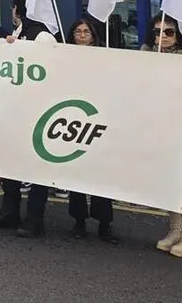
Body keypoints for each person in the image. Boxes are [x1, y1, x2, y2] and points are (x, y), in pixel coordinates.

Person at [0, 0, 59, 237]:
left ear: (17, 9)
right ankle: (10, 211)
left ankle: (34, 218)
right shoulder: (18, 33)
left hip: (36, 111)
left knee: (36, 165)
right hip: (16, 109)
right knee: (12, 163)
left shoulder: (42, 35)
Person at [144, 13, 182, 259]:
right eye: (157, 32)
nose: (162, 37)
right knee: (169, 177)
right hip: (159, 125)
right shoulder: (146, 55)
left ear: (179, 34)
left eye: (168, 32)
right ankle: (175, 229)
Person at [64, 17, 118, 244]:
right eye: (78, 31)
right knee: (77, 173)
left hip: (99, 117)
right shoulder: (64, 57)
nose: (82, 35)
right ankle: (79, 220)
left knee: (101, 175)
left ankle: (105, 223)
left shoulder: (105, 58)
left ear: (94, 35)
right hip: (74, 117)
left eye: (86, 31)